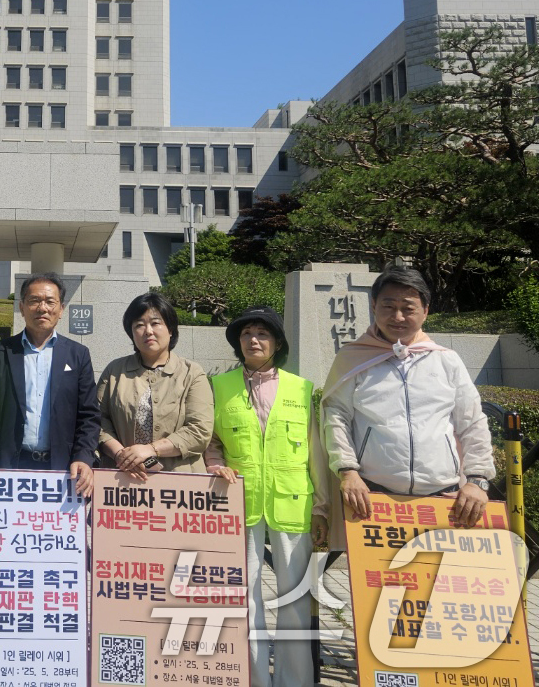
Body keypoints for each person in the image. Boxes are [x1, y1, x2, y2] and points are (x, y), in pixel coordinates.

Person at [205, 305, 328, 687]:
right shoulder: (219, 386)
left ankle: (296, 682)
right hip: (238, 502)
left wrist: (322, 507)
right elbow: (212, 442)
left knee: (294, 600)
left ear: (276, 343)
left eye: (262, 334)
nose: (253, 340)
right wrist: (213, 466)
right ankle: (255, 679)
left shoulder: (301, 387)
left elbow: (316, 452)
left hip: (293, 503)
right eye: (246, 334)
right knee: (245, 598)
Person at [321, 265, 495, 529]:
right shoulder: (353, 359)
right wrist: (347, 471)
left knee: (439, 571)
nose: (398, 316)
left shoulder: (446, 360)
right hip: (373, 495)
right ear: (374, 306)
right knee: (377, 571)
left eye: (408, 307)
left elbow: (472, 422)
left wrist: (477, 480)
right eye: (388, 306)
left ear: (425, 311)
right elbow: (335, 417)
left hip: (445, 497)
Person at [0, 272, 100, 497]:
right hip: (9, 467)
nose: (42, 308)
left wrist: (83, 457)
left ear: (61, 309)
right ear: (22, 307)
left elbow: (89, 415)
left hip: (63, 470)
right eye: (34, 301)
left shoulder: (78, 355)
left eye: (50, 301)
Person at [97, 292, 213, 477]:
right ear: (131, 333)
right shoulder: (114, 371)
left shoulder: (192, 373)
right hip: (124, 478)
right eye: (139, 325)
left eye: (155, 323)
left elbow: (200, 430)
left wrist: (151, 449)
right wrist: (121, 454)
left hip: (180, 481)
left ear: (171, 329)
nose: (148, 331)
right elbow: (97, 420)